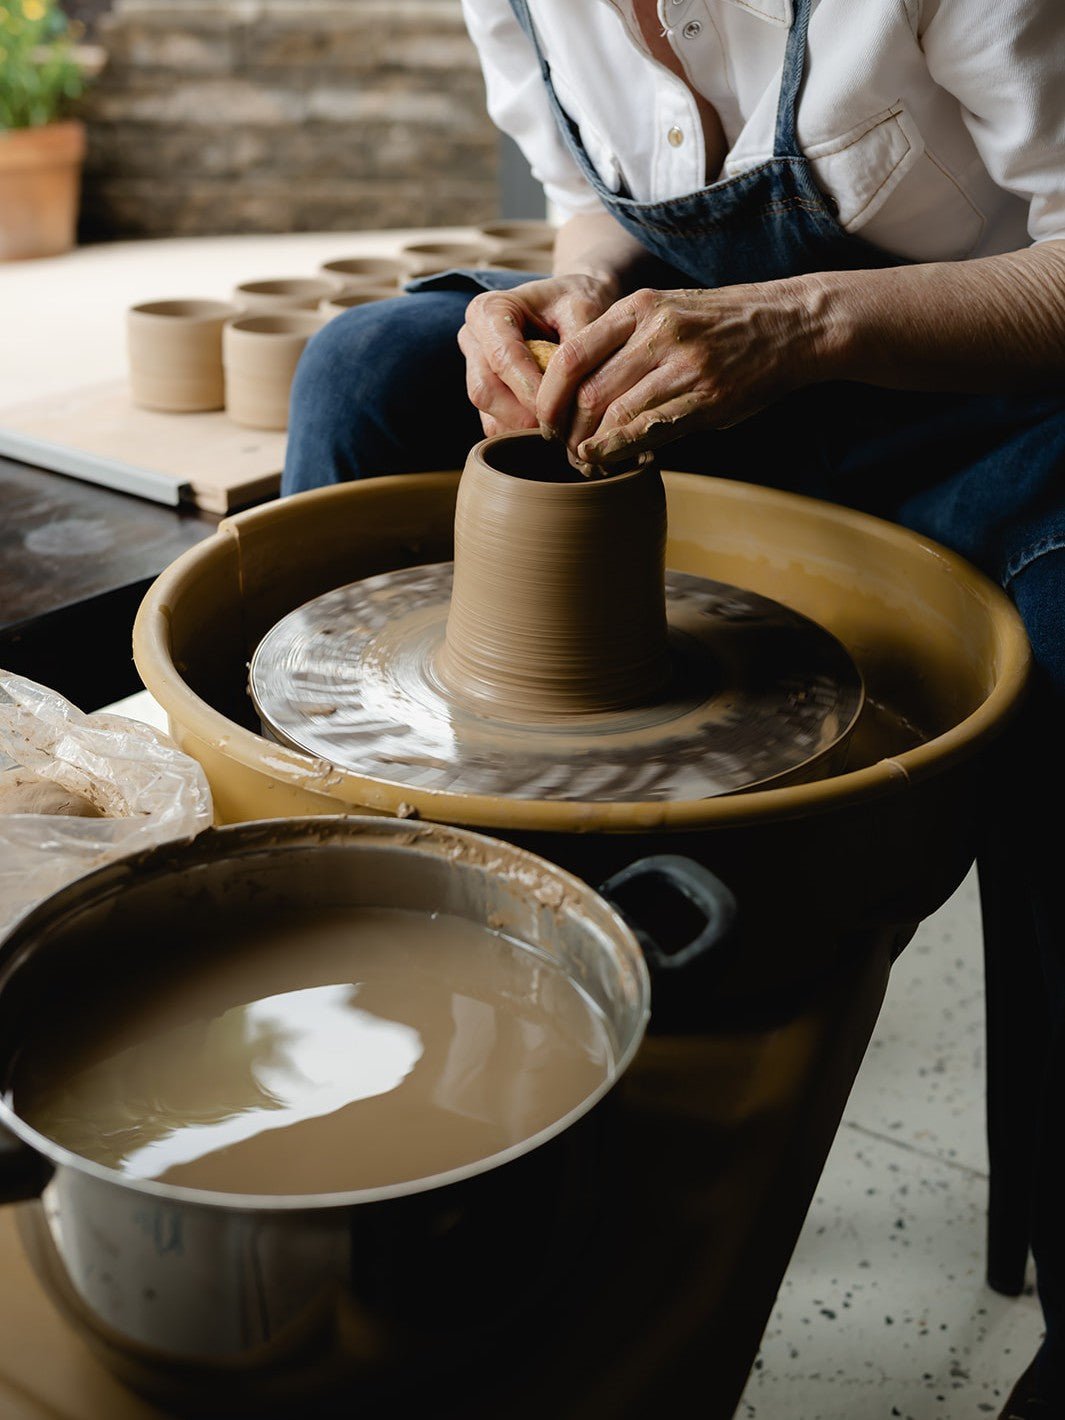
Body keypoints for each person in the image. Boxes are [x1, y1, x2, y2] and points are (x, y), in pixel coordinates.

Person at [283, 4, 1065, 1414]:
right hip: (730, 395)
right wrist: (567, 301)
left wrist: (803, 320)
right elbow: (595, 204)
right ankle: (397, 1047)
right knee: (363, 375)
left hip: (989, 404)